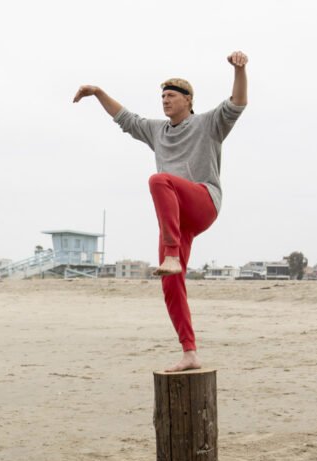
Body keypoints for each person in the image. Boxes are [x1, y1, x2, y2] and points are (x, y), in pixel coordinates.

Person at [73, 51, 248, 372]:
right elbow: (126, 118)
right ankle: (189, 352)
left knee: (159, 180)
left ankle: (170, 256)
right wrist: (98, 93)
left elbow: (237, 103)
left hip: (203, 201)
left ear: (188, 100)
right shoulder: (157, 131)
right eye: (162, 96)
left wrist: (240, 69)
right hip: (176, 221)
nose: (165, 101)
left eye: (171, 96)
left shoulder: (208, 123)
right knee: (170, 283)